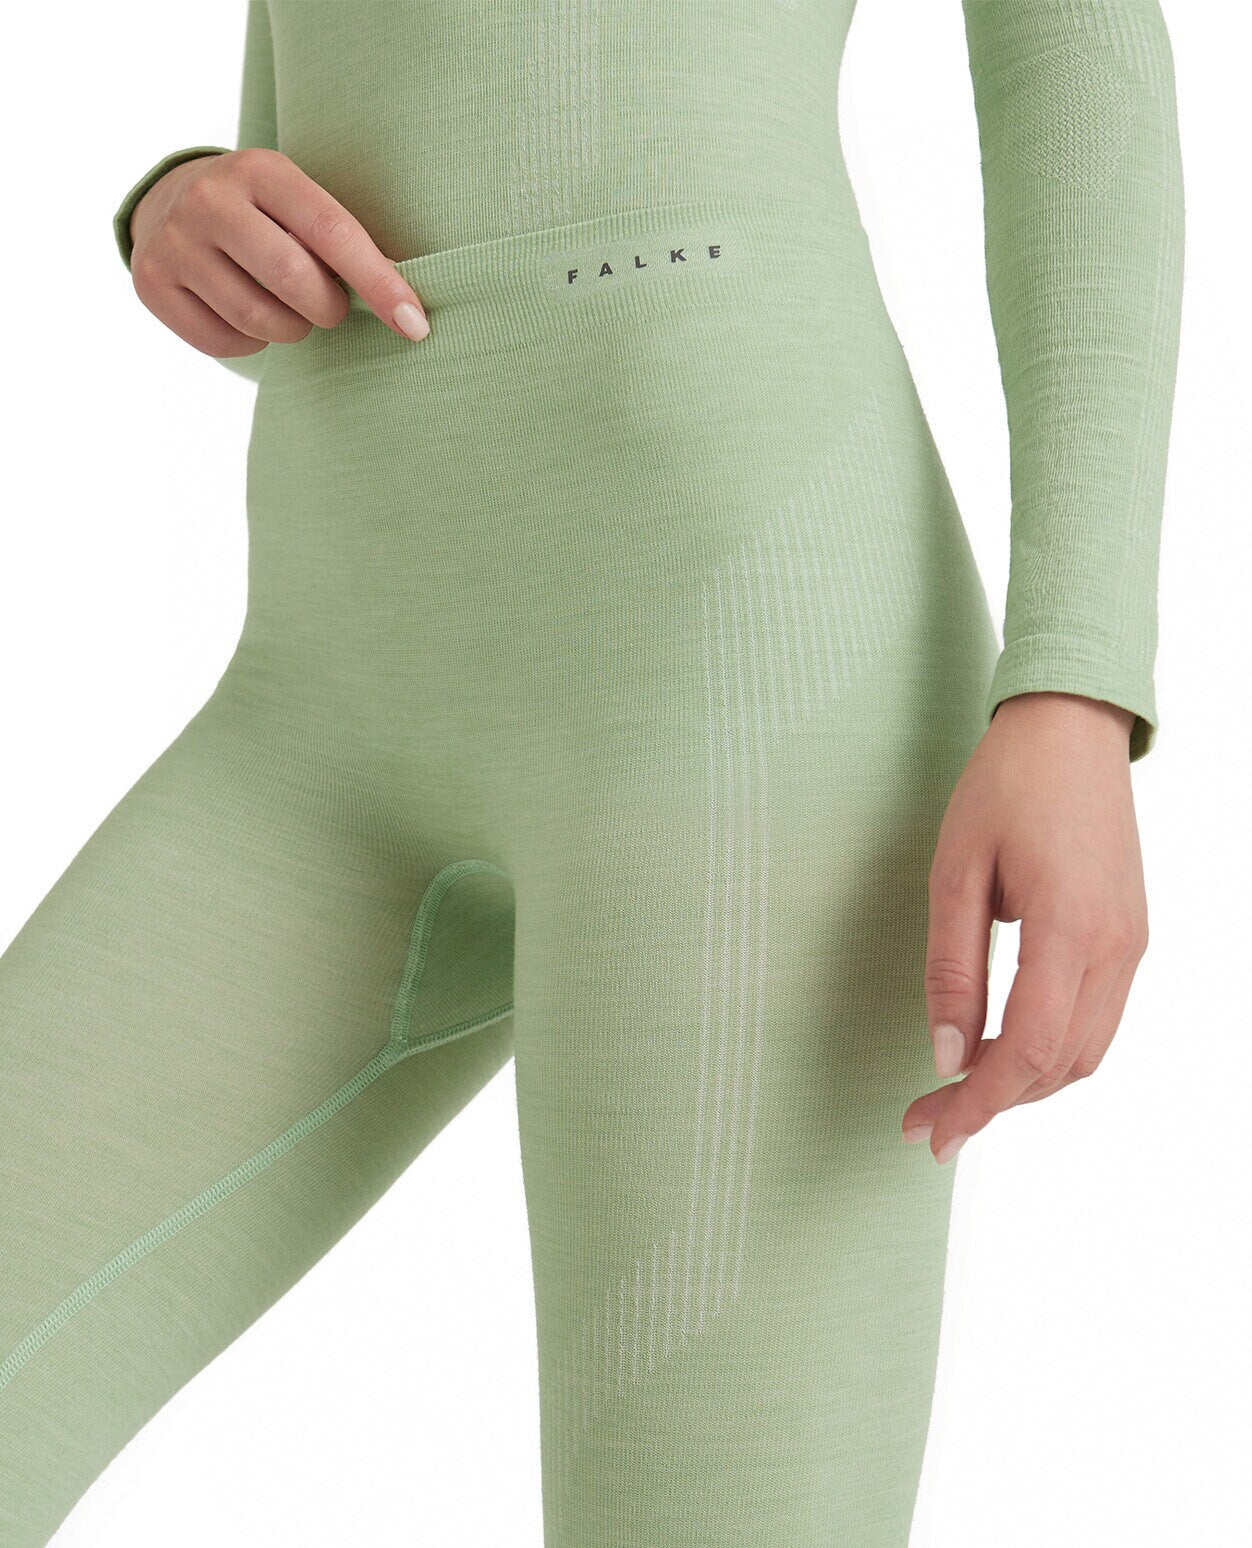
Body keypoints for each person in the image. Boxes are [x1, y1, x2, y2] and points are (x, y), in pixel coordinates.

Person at [0, 2, 1184, 1542]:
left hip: (738, 676)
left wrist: (1078, 682)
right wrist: (182, 205)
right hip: (320, 697)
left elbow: (1074, 67)